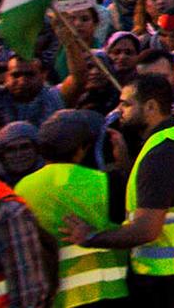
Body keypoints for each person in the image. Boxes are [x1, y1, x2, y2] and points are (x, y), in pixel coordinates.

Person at [64, 76, 174, 308]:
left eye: (126, 104)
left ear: (151, 107)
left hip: (169, 281)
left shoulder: (161, 155)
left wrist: (90, 237)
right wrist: (127, 165)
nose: (119, 110)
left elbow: (146, 230)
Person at [16, 111, 123, 308]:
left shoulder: (21, 189)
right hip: (107, 291)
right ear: (82, 149)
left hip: (54, 296)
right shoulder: (105, 182)